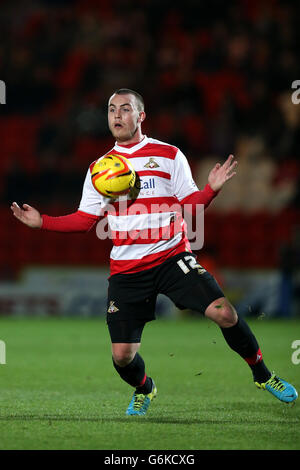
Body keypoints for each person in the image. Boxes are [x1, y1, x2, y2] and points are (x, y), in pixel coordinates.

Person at [11, 88, 298, 415]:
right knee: (122, 356)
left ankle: (263, 375)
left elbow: (190, 205)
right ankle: (144, 387)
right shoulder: (99, 168)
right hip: (127, 270)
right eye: (111, 110)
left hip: (172, 257)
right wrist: (42, 222)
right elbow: (84, 221)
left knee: (224, 312)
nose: (117, 115)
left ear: (141, 116)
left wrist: (210, 191)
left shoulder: (169, 155)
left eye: (125, 109)